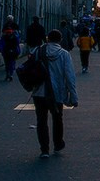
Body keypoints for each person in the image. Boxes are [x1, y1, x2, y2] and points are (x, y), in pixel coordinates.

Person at [31, 29, 78, 158]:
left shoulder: (37, 51)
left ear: (48, 39)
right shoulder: (64, 54)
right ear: (60, 40)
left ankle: (44, 150)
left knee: (41, 121)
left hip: (39, 92)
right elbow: (70, 77)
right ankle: (57, 144)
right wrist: (74, 97)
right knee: (57, 119)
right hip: (57, 93)